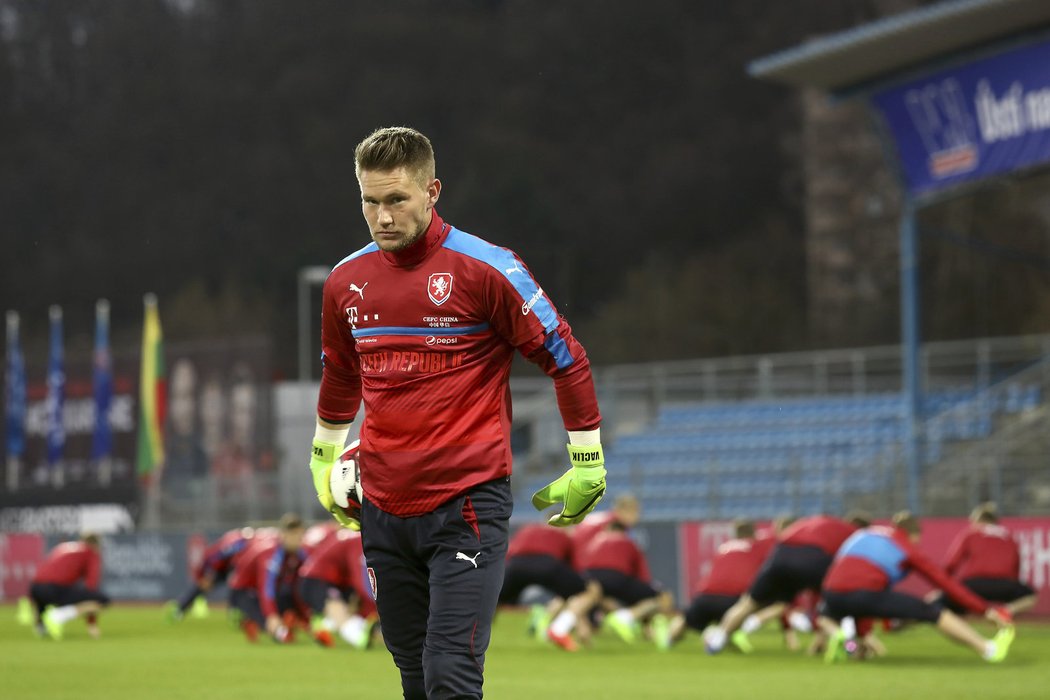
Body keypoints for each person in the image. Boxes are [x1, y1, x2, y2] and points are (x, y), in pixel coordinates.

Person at [306, 126, 606, 699]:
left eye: (397, 200)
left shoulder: (487, 269)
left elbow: (566, 358)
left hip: (467, 502)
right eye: (370, 201)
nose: (382, 216)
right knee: (414, 677)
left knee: (450, 670)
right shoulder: (345, 282)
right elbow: (342, 375)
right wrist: (322, 459)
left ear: (432, 190)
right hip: (384, 508)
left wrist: (587, 459)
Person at [819, 511, 1015, 663]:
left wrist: (863, 631)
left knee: (831, 617)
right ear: (913, 535)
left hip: (831, 593)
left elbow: (844, 572)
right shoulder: (906, 547)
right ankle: (989, 649)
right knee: (933, 611)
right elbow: (946, 584)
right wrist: (985, 609)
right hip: (864, 594)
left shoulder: (865, 534)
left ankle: (849, 645)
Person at [704, 511, 870, 654]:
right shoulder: (854, 535)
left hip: (781, 554)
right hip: (815, 556)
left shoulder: (817, 521)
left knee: (748, 603)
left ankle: (718, 640)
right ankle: (849, 645)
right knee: (834, 605)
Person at [664, 519, 777, 650]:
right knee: (754, 608)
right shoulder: (757, 546)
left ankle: (669, 640)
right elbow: (776, 536)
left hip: (705, 596)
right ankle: (717, 637)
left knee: (685, 620)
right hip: (733, 599)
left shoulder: (725, 548)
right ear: (753, 533)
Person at [498, 519, 602, 651]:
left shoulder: (528, 528)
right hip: (548, 563)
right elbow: (575, 571)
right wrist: (583, 624)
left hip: (516, 565)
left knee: (493, 599)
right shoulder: (564, 535)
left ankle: (474, 635)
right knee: (590, 591)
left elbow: (509, 552)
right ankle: (559, 629)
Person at [576, 516, 676, 648]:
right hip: (617, 576)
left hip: (589, 578)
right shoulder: (629, 542)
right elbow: (642, 576)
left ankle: (584, 632)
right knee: (660, 598)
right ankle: (627, 617)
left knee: (593, 599)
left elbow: (581, 565)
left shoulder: (594, 542)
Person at [934, 502, 1037, 618]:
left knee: (940, 600)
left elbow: (951, 564)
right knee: (1030, 596)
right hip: (1005, 585)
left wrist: (942, 587)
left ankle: (962, 623)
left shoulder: (972, 534)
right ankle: (1005, 611)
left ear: (978, 520)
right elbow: (1016, 567)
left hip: (974, 585)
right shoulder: (1010, 537)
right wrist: (1011, 584)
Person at [227, 514, 308, 643]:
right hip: (244, 593)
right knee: (281, 635)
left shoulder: (299, 554)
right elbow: (266, 587)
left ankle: (281, 620)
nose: (298, 540)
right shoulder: (271, 553)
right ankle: (250, 621)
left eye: (300, 535)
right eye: (294, 535)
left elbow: (298, 587)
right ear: (283, 535)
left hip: (263, 592)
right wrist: (272, 616)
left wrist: (305, 618)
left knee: (289, 594)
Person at [297, 527, 378, 649]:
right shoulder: (357, 540)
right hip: (316, 580)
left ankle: (323, 625)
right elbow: (359, 578)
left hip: (334, 583)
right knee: (336, 606)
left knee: (351, 604)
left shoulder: (355, 536)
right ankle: (359, 637)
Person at [165, 526, 258, 622]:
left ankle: (236, 612)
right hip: (219, 568)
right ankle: (180, 609)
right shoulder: (237, 543)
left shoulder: (241, 541)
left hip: (231, 567)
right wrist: (209, 573)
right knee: (202, 587)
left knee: (237, 587)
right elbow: (216, 557)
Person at [28, 533, 110, 640]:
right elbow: (91, 585)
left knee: (45, 595)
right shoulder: (90, 552)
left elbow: (46, 570)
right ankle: (58, 616)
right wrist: (91, 623)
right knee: (101, 600)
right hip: (54, 589)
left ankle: (41, 627)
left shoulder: (63, 547)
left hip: (35, 588)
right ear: (95, 544)